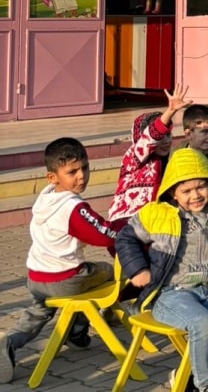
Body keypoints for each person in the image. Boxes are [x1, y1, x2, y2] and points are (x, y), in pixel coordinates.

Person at [115, 148, 208, 392]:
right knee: (203, 323)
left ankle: (187, 376)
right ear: (173, 192)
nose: (196, 195)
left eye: (201, 186)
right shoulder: (158, 214)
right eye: (186, 191)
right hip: (169, 292)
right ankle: (206, 385)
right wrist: (137, 269)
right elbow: (125, 239)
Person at [0, 138, 119, 384]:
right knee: (107, 272)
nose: (81, 176)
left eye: (85, 168)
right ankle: (77, 328)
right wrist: (129, 228)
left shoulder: (45, 199)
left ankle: (9, 344)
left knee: (39, 311)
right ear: (52, 177)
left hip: (36, 277)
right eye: (72, 172)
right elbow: (103, 234)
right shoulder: (73, 207)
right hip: (65, 279)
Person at [108, 85, 193, 224]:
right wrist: (170, 111)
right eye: (161, 136)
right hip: (128, 221)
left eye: (168, 135)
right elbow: (151, 137)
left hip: (156, 220)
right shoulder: (134, 156)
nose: (166, 141)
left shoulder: (170, 159)